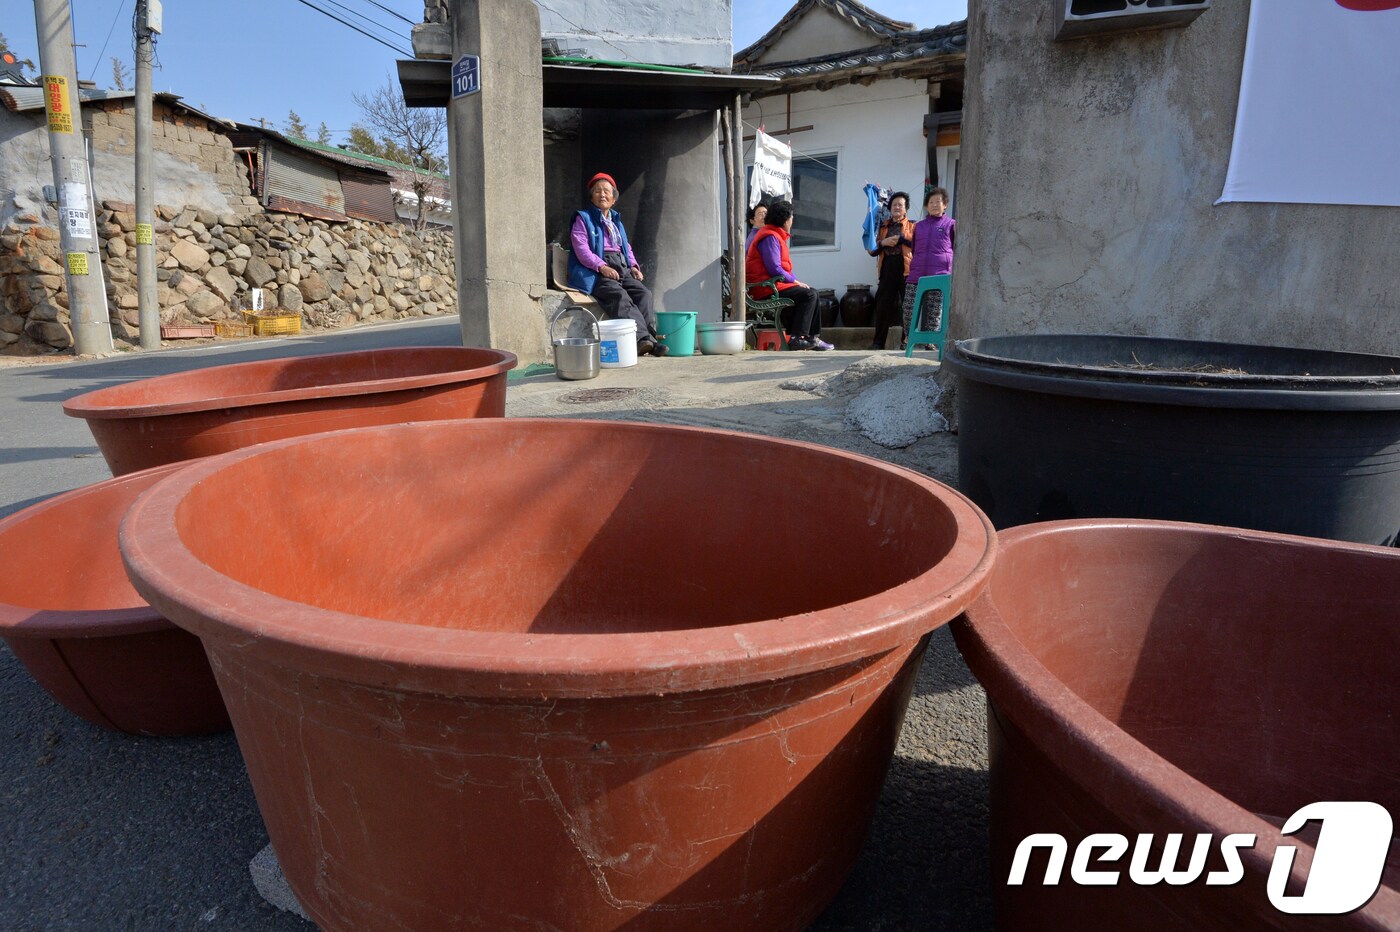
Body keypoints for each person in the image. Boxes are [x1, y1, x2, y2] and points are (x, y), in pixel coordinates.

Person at [567, 172, 665, 357]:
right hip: (595, 270)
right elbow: (581, 249)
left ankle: (645, 341)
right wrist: (602, 266)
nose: (602, 194)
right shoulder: (583, 218)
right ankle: (646, 340)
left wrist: (634, 266)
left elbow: (625, 247)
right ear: (592, 197)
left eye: (606, 191)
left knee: (644, 294)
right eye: (597, 191)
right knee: (620, 296)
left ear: (613, 199)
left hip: (621, 266)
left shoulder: (615, 222)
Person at [744, 199, 832, 351]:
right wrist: (795, 281)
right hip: (765, 288)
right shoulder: (769, 237)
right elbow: (774, 268)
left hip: (772, 284)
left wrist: (793, 281)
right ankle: (798, 338)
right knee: (809, 294)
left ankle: (812, 338)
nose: (792, 221)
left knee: (811, 292)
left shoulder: (775, 235)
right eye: (791, 218)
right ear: (785, 220)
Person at [902, 187, 956, 349]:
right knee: (909, 308)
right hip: (917, 273)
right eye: (931, 202)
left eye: (938, 201)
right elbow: (914, 247)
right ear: (926, 206)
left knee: (934, 310)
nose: (934, 205)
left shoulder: (951, 224)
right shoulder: (919, 226)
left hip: (939, 273)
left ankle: (931, 341)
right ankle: (909, 338)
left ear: (945, 204)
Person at [866, 191, 915, 350]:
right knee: (882, 306)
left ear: (906, 208)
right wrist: (883, 242)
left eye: (900, 205)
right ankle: (878, 343)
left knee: (907, 307)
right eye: (894, 204)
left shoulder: (913, 226)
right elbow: (872, 250)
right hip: (887, 267)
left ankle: (906, 342)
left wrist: (903, 241)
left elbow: (919, 247)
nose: (897, 207)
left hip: (906, 268)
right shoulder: (882, 226)